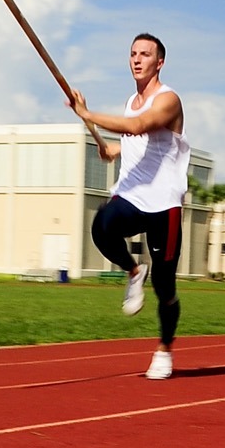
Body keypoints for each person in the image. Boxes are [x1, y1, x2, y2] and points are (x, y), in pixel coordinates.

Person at [72, 34, 190, 380]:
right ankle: (134, 271)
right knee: (102, 227)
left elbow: (141, 126)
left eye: (146, 54)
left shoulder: (169, 99)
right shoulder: (130, 100)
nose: (137, 59)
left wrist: (87, 113)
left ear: (160, 62)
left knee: (166, 289)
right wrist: (114, 150)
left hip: (164, 204)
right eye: (133, 54)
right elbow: (142, 142)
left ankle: (165, 349)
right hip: (133, 195)